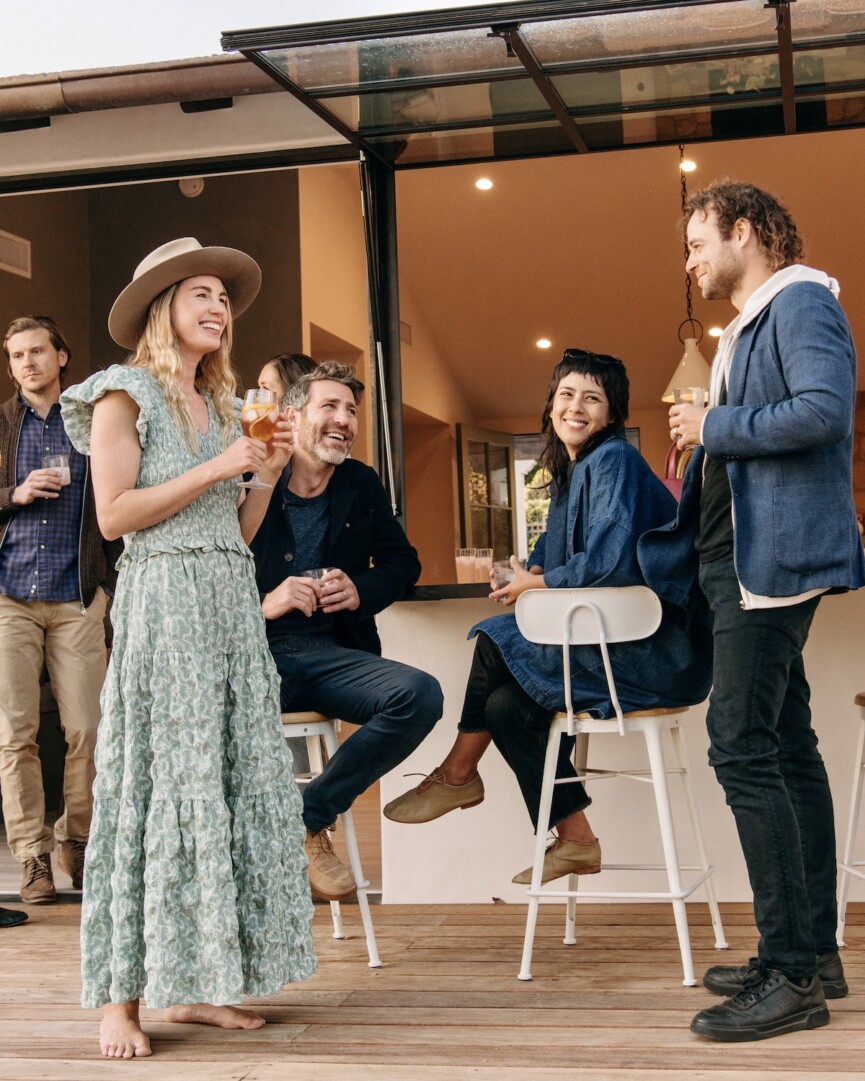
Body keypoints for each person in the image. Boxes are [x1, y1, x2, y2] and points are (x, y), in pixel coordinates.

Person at [59, 237, 316, 1059]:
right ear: (162, 305)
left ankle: (199, 985)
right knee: (154, 782)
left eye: (223, 297)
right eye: (199, 292)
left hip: (226, 603)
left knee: (219, 780)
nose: (217, 306)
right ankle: (120, 1000)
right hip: (163, 602)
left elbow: (232, 530)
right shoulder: (123, 394)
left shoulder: (229, 400)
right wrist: (219, 470)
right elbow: (114, 515)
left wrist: (264, 474)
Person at [384, 350, 713, 886]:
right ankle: (577, 838)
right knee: (505, 706)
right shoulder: (572, 472)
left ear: (611, 415)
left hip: (657, 653)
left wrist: (533, 584)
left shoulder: (614, 461)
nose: (576, 407)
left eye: (592, 398)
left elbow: (609, 561)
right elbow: (558, 553)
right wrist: (529, 570)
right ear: (551, 405)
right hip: (613, 650)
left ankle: (458, 773)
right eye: (566, 394)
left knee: (495, 639)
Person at [667, 180, 865, 1042]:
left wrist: (712, 424)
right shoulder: (750, 323)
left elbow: (823, 412)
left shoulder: (798, 302)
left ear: (743, 231)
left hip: (767, 565)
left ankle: (789, 973)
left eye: (696, 242)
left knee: (741, 746)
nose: (689, 260)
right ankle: (809, 952)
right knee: (783, 747)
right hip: (739, 562)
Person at [250, 361, 443, 902]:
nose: (344, 420)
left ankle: (307, 821)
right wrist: (267, 602)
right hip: (259, 656)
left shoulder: (360, 483)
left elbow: (405, 563)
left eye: (351, 410)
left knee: (419, 694)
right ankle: (244, 860)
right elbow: (208, 575)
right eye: (329, 407)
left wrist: (361, 589)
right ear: (292, 415)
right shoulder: (254, 478)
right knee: (219, 715)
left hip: (336, 655)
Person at [1, 315, 120, 905]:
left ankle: (77, 838)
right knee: (15, 734)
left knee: (88, 730)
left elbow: (120, 500)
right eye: (16, 355)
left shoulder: (91, 421)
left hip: (77, 597)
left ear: (62, 356)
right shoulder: (2, 424)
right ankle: (31, 857)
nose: (26, 362)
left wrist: (108, 589)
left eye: (37, 351)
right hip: (10, 599)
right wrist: (14, 495)